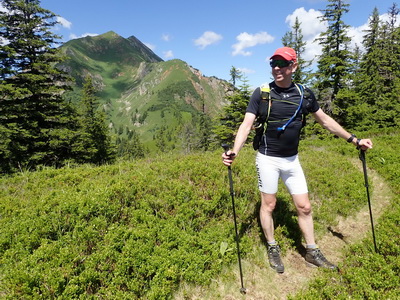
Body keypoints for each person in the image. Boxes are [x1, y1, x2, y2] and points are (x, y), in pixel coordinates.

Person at [222, 46, 373, 274]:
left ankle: (311, 251)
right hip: (267, 159)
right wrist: (235, 151)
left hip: (292, 160)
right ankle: (272, 246)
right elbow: (246, 124)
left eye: (282, 64)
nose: (276, 68)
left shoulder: (304, 94)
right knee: (269, 205)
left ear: (294, 66)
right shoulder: (262, 93)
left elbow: (325, 121)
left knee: (304, 206)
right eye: (273, 64)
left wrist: (354, 139)